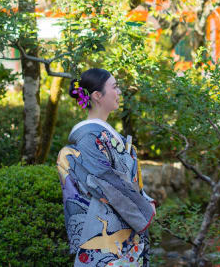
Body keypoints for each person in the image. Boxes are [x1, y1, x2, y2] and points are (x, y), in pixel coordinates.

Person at [57, 68, 156, 267]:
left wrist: (145, 199)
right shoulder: (88, 137)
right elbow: (105, 181)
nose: (119, 92)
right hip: (105, 225)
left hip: (122, 226)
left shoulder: (104, 133)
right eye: (114, 87)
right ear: (97, 95)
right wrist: (144, 208)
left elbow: (128, 180)